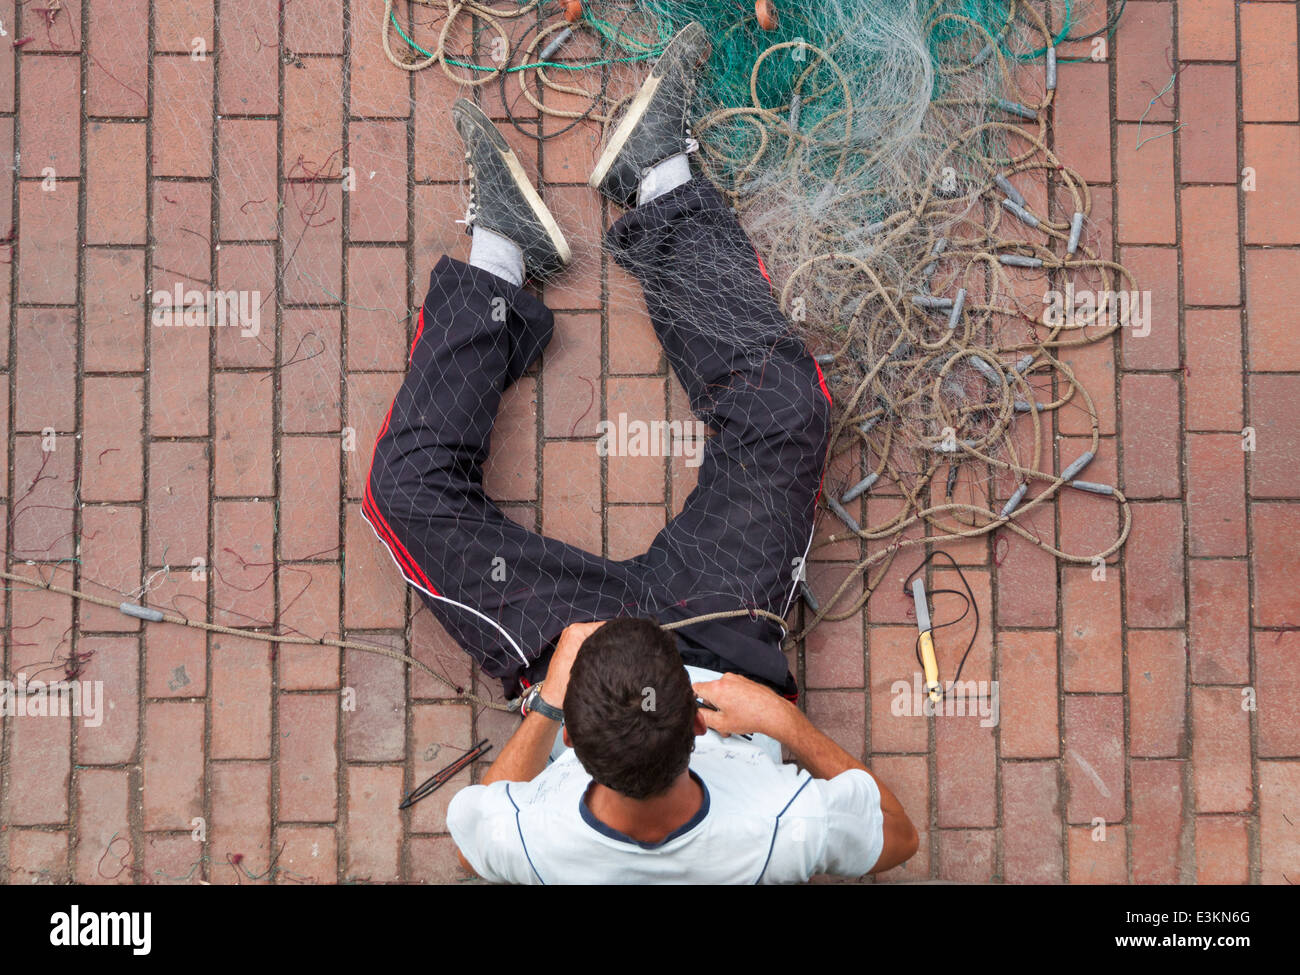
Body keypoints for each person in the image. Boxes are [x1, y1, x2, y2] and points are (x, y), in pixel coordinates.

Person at [364, 23, 918, 883]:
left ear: (574, 741)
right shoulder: (775, 830)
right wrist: (778, 721)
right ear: (699, 727)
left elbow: (479, 831)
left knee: (403, 492)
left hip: (568, 645)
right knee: (786, 417)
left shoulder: (537, 842)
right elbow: (898, 838)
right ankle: (658, 182)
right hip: (719, 632)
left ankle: (501, 257)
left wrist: (550, 692)